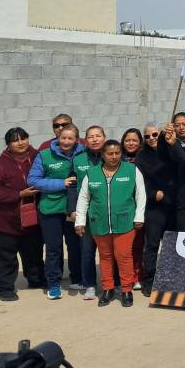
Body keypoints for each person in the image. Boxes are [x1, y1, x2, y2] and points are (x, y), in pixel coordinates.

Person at [74, 140, 146, 307]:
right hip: (99, 222)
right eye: (110, 153)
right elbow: (84, 198)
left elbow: (140, 195)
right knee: (105, 257)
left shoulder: (131, 170)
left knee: (124, 256)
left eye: (117, 153)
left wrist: (139, 216)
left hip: (125, 222)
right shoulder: (91, 173)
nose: (114, 156)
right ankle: (108, 288)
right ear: (103, 155)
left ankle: (127, 290)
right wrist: (80, 221)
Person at [0, 128, 45, 301]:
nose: (20, 143)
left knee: (33, 250)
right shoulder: (1, 164)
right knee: (4, 255)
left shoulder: (38, 156)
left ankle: (36, 279)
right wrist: (17, 194)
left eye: (23, 138)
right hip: (1, 219)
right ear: (8, 144)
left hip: (30, 216)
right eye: (15, 140)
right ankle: (4, 288)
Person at [28, 123, 85, 300]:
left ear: (76, 140)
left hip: (74, 209)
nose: (66, 141)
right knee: (54, 249)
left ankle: (77, 278)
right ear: (57, 138)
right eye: (63, 137)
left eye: (70, 138)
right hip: (50, 209)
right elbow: (33, 180)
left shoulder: (84, 155)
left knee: (75, 246)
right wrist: (62, 183)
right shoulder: (44, 155)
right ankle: (53, 283)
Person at [135, 123, 175, 297]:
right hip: (154, 206)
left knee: (172, 245)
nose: (151, 138)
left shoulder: (170, 150)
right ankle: (149, 280)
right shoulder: (141, 156)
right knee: (152, 245)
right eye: (147, 136)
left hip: (173, 205)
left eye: (154, 134)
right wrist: (152, 194)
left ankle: (171, 278)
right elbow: (141, 181)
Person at [71, 125, 107, 300]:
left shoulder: (112, 156)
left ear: (104, 138)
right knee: (87, 251)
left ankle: (111, 283)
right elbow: (71, 186)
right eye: (90, 136)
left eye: (98, 136)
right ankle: (90, 285)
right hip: (85, 212)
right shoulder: (78, 159)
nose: (94, 139)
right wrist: (72, 210)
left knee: (109, 251)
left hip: (107, 212)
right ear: (85, 140)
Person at [120, 128, 144, 288]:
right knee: (122, 246)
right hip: (122, 207)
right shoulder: (117, 159)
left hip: (140, 206)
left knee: (138, 244)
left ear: (140, 142)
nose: (130, 143)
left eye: (134, 140)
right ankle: (123, 276)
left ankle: (137, 275)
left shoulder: (145, 158)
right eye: (127, 140)